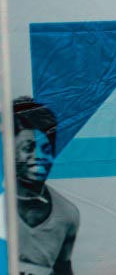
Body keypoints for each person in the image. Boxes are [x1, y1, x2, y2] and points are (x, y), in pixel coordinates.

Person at [15, 97, 79, 275]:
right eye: (29, 147)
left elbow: (63, 269)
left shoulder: (67, 214)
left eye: (46, 149)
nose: (39, 156)